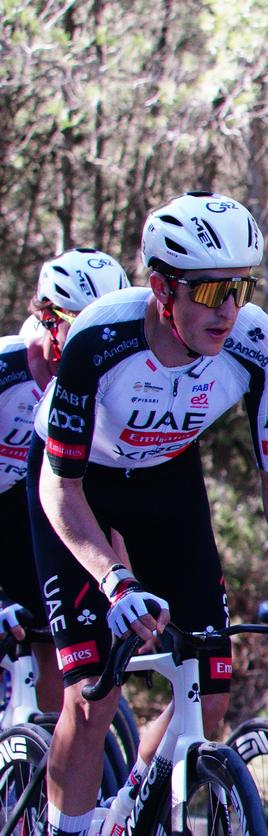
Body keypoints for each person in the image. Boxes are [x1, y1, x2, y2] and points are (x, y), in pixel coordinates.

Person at [25, 193, 268, 836]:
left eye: (242, 288)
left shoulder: (257, 345)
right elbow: (59, 492)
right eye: (209, 290)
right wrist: (114, 579)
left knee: (213, 682)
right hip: (82, 488)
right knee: (91, 694)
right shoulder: (100, 338)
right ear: (162, 288)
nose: (228, 309)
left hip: (167, 486)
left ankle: (122, 812)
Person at [1, 248, 131, 715]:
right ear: (50, 319)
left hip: (37, 505)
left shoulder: (104, 376)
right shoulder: (7, 370)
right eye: (82, 329)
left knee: (57, 630)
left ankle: (43, 743)